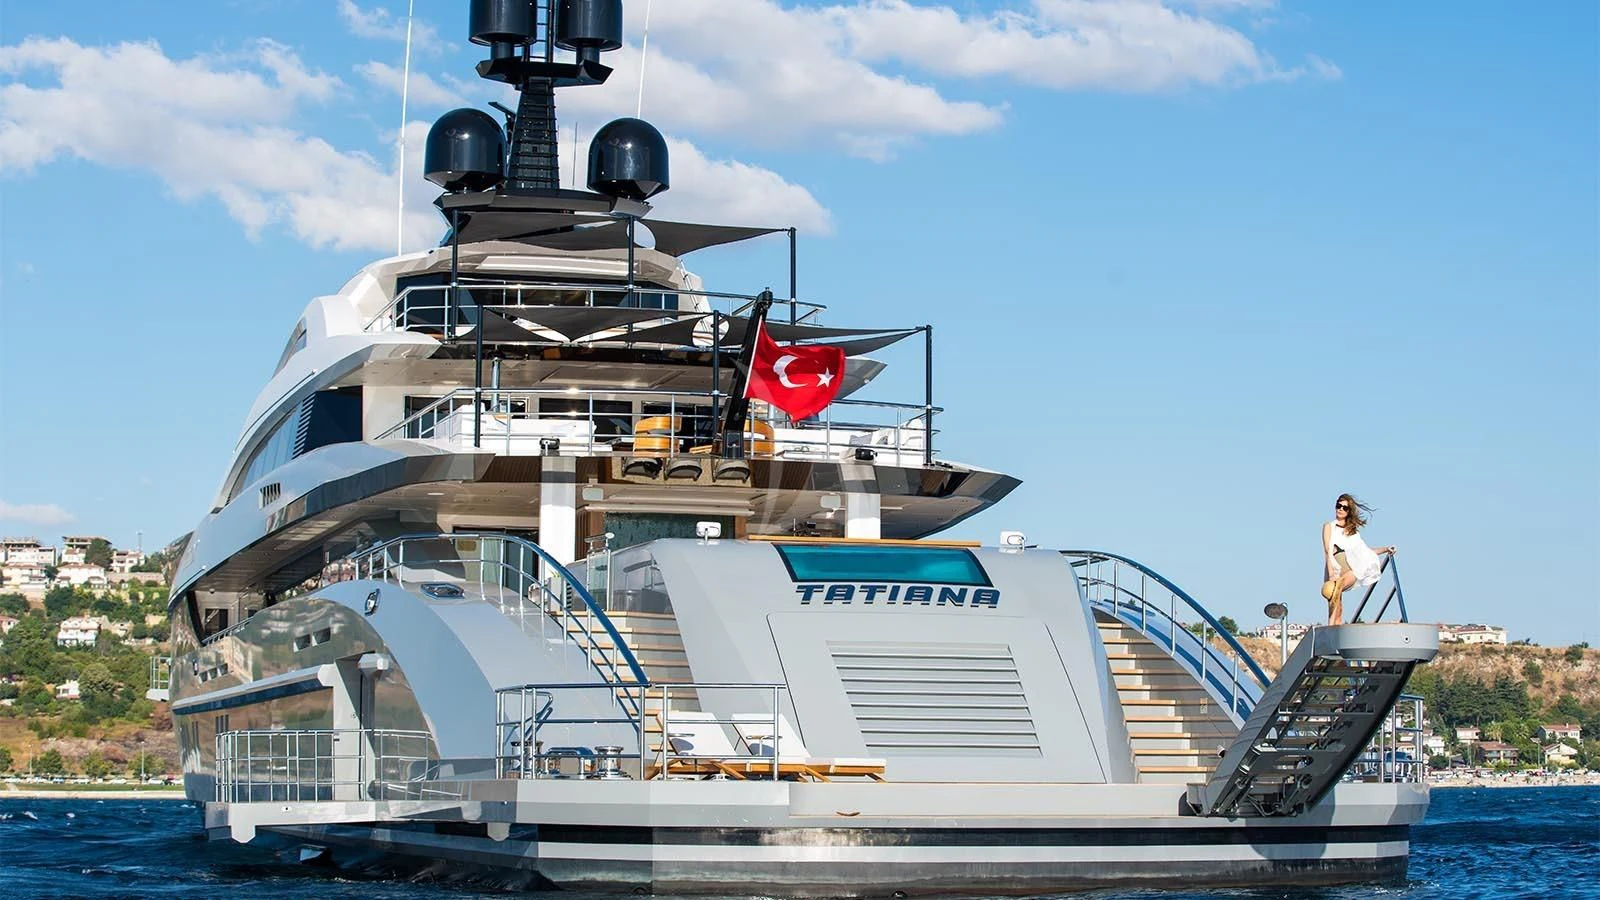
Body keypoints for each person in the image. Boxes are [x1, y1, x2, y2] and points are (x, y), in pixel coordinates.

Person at [1322, 493, 1396, 624]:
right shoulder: (1329, 526)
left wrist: (1385, 549)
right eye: (1338, 506)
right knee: (1337, 606)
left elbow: (1365, 552)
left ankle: (1338, 589)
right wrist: (1331, 573)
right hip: (1335, 564)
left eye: (1344, 508)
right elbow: (1328, 550)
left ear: (1349, 511)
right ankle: (1331, 628)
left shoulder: (1352, 532)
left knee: (1346, 583)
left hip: (1350, 565)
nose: (1340, 509)